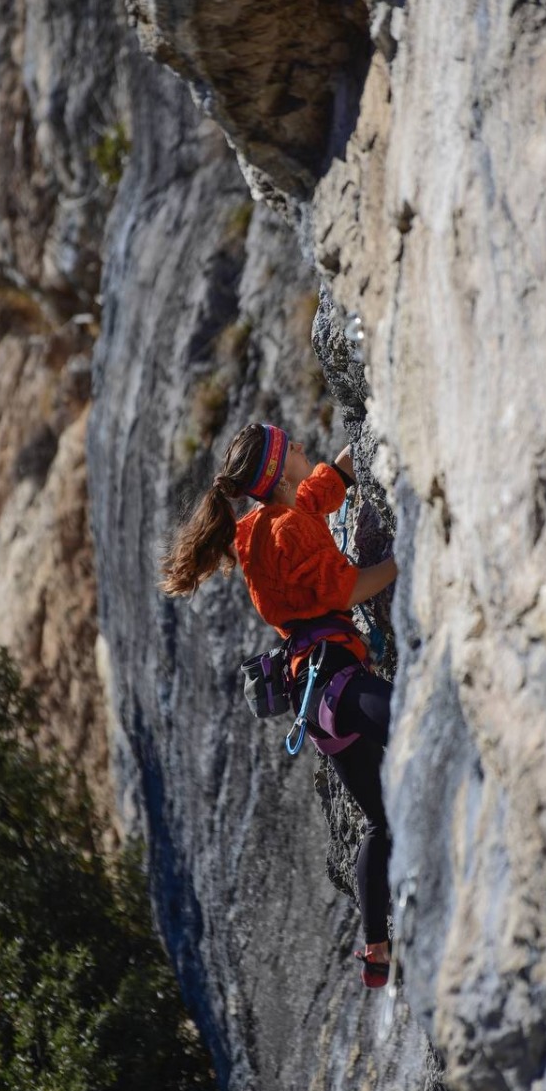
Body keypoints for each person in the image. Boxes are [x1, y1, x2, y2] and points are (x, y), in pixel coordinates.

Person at [160, 423, 398, 988]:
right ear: (276, 471)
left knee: (381, 825)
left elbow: (329, 480)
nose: (298, 445)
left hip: (320, 707)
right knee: (413, 728)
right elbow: (347, 590)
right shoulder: (289, 529)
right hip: (340, 685)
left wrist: (365, 438)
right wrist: (407, 556)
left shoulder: (267, 522)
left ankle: (375, 950)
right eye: (287, 444)